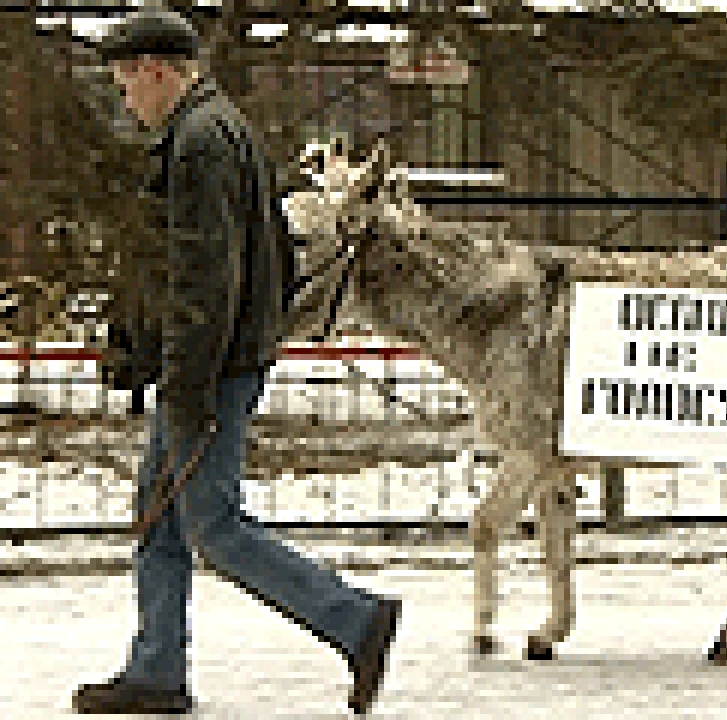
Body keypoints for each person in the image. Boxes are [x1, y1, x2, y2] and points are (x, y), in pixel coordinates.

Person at [73, 10, 401, 715]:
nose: (125, 99)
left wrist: (189, 384)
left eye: (126, 82)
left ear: (157, 70)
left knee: (212, 528)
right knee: (160, 516)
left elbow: (205, 281)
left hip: (211, 371)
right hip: (215, 363)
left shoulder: (198, 143)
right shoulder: (223, 128)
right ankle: (156, 669)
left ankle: (355, 619)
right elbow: (254, 259)